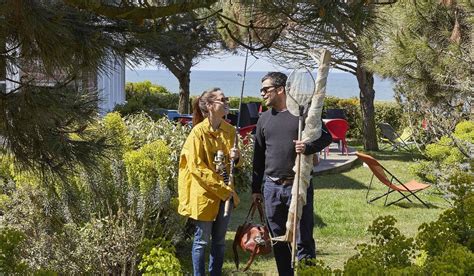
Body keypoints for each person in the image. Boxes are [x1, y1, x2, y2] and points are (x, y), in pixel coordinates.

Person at [252, 72, 332, 275]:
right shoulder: (264, 119)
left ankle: (307, 273)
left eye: (266, 89)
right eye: (261, 90)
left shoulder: (302, 115)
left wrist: (307, 146)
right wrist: (255, 189)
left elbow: (326, 137)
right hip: (271, 188)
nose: (262, 93)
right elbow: (258, 156)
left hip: (298, 185)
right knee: (279, 240)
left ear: (280, 89)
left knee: (303, 239)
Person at [178, 88, 240, 276]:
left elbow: (235, 165)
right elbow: (197, 167)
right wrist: (223, 190)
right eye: (223, 99)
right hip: (204, 194)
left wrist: (236, 157)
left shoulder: (230, 131)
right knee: (201, 241)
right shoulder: (197, 133)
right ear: (211, 106)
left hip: (225, 194)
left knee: (219, 241)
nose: (227, 101)